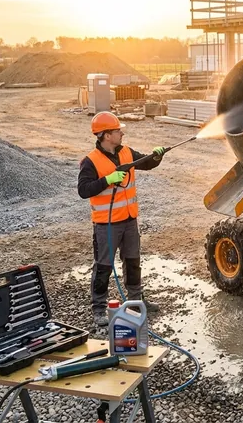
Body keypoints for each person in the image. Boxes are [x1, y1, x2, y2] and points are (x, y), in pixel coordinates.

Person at [77, 111, 165, 327]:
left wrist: (157, 156)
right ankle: (99, 309)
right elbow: (83, 190)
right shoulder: (90, 161)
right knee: (103, 267)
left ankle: (136, 301)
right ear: (107, 135)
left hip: (129, 220)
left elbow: (146, 163)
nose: (122, 133)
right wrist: (108, 179)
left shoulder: (127, 152)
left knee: (133, 262)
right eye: (118, 131)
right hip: (106, 225)